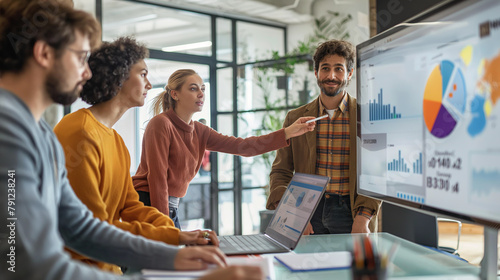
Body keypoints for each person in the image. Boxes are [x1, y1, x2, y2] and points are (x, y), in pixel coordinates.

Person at [0, 1, 261, 280]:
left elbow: (80, 227)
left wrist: (174, 251)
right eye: (79, 58)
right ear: (43, 53)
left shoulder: (40, 133)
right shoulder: (9, 130)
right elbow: (21, 263)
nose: (87, 72)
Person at [54, 37, 219, 274]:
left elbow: (131, 207)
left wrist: (179, 235)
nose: (150, 84)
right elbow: (92, 230)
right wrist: (172, 248)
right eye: (143, 74)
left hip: (106, 268)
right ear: (119, 76)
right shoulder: (80, 133)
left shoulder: (116, 142)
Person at [133, 69, 317, 228]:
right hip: (147, 204)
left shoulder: (199, 130)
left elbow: (244, 147)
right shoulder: (161, 124)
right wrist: (163, 224)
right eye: (193, 88)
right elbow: (157, 180)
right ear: (175, 94)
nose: (201, 94)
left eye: (203, 89)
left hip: (168, 206)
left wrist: (288, 132)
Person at [266, 40, 381, 234]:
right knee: (307, 264)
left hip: (352, 213)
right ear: (316, 73)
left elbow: (377, 173)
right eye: (325, 68)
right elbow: (281, 172)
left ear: (350, 73)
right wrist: (295, 214)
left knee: (352, 265)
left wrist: (363, 218)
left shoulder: (367, 117)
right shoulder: (295, 118)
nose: (331, 75)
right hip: (308, 212)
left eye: (339, 69)